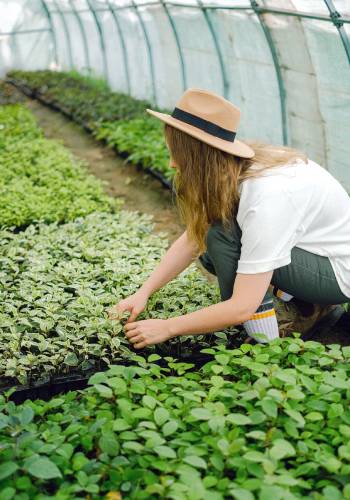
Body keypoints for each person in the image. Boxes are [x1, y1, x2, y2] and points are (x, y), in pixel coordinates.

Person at [108, 88, 350, 349]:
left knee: (221, 237)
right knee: (212, 244)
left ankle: (266, 345)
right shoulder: (234, 170)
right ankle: (306, 306)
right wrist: (143, 293)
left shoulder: (266, 197)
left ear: (198, 158)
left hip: (337, 274)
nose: (172, 165)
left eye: (176, 155)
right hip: (311, 254)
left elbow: (242, 306)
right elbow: (192, 238)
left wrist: (167, 326)